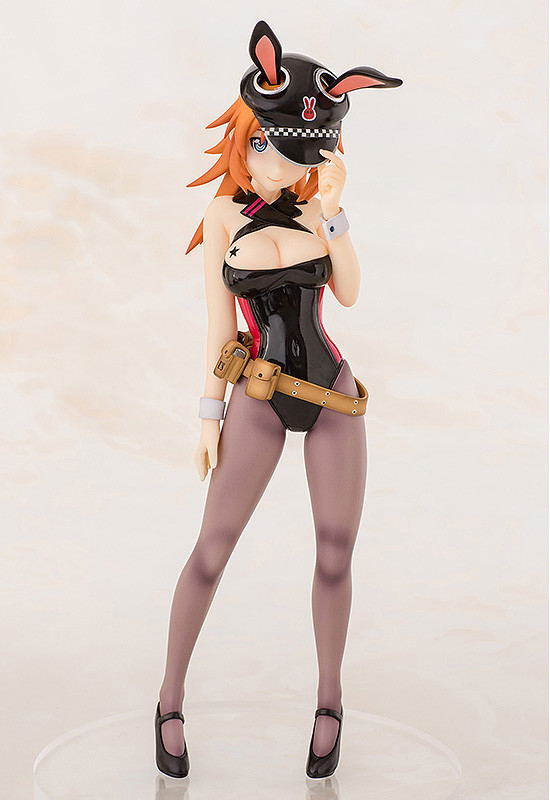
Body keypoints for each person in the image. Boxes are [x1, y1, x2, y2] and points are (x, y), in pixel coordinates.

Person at [154, 20, 402, 780]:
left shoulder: (318, 209)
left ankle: (330, 702)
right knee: (212, 548)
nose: (279, 165)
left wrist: (335, 209)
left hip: (330, 393)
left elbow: (349, 292)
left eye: (299, 153)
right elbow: (217, 326)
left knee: (335, 551)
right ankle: (168, 700)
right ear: (247, 136)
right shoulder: (223, 217)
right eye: (268, 146)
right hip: (257, 393)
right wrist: (208, 413)